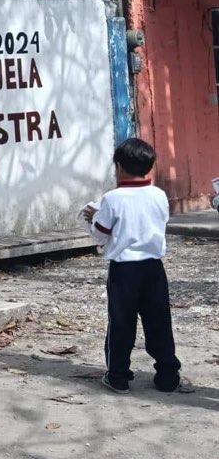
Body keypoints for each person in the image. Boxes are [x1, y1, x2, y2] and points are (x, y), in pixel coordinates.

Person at [84, 137, 184, 394]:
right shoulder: (159, 195)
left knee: (121, 322)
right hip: (153, 267)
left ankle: (117, 376)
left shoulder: (112, 199)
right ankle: (168, 375)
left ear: (118, 166)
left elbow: (101, 235)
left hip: (124, 270)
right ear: (150, 166)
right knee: (159, 321)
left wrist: (92, 218)